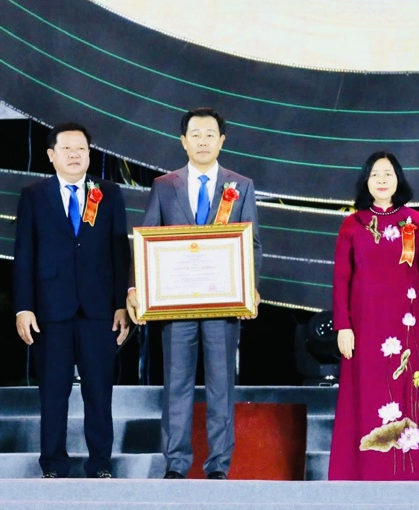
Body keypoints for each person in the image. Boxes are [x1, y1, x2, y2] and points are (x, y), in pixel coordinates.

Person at [126, 107, 262, 480]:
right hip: (176, 305)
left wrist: (249, 286)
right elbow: (147, 240)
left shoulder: (241, 185)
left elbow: (252, 244)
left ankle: (218, 465)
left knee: (221, 386)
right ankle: (176, 463)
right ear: (183, 140)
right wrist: (136, 288)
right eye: (195, 134)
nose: (202, 141)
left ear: (222, 140)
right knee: (177, 384)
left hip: (223, 303)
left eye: (210, 134)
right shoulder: (164, 185)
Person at [13, 122, 131, 478]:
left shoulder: (108, 193)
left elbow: (118, 252)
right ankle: (53, 464)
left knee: (99, 391)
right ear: (51, 155)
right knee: (53, 391)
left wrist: (122, 304)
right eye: (67, 148)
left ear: (89, 154)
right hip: (50, 309)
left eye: (82, 148)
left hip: (99, 309)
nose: (76, 154)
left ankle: (100, 464)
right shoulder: (34, 195)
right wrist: (23, 306)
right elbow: (24, 255)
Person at [328, 151, 419, 480]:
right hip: (364, 326)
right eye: (375, 174)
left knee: (408, 394)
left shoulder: (415, 222)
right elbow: (341, 279)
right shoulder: (353, 224)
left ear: (398, 181)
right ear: (366, 180)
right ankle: (361, 474)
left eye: (388, 174)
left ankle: (410, 476)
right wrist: (343, 326)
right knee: (363, 394)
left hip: (407, 324)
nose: (381, 179)